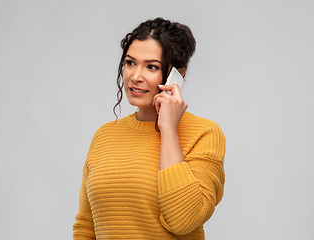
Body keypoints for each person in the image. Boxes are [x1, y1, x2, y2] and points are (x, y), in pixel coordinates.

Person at [73, 17, 226, 240]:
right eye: (130, 62)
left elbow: (183, 221)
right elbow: (86, 226)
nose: (135, 76)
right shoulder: (104, 135)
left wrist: (169, 129)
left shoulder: (204, 133)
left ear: (178, 75)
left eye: (151, 66)